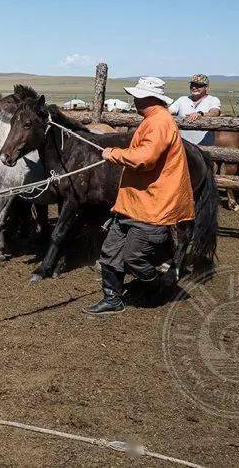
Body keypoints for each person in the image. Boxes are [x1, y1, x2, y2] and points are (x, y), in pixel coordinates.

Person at [87, 77, 195, 316]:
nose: (134, 100)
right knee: (110, 250)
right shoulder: (152, 120)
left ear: (148, 98)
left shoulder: (160, 123)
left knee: (134, 257)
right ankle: (112, 298)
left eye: (137, 96)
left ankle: (158, 287)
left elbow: (145, 158)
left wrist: (113, 154)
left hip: (151, 205)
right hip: (133, 203)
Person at [168, 73, 222, 145]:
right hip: (183, 147)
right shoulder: (182, 99)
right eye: (192, 84)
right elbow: (169, 111)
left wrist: (201, 114)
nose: (194, 87)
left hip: (205, 147)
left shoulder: (213, 100)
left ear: (206, 87)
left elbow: (215, 112)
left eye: (198, 85)